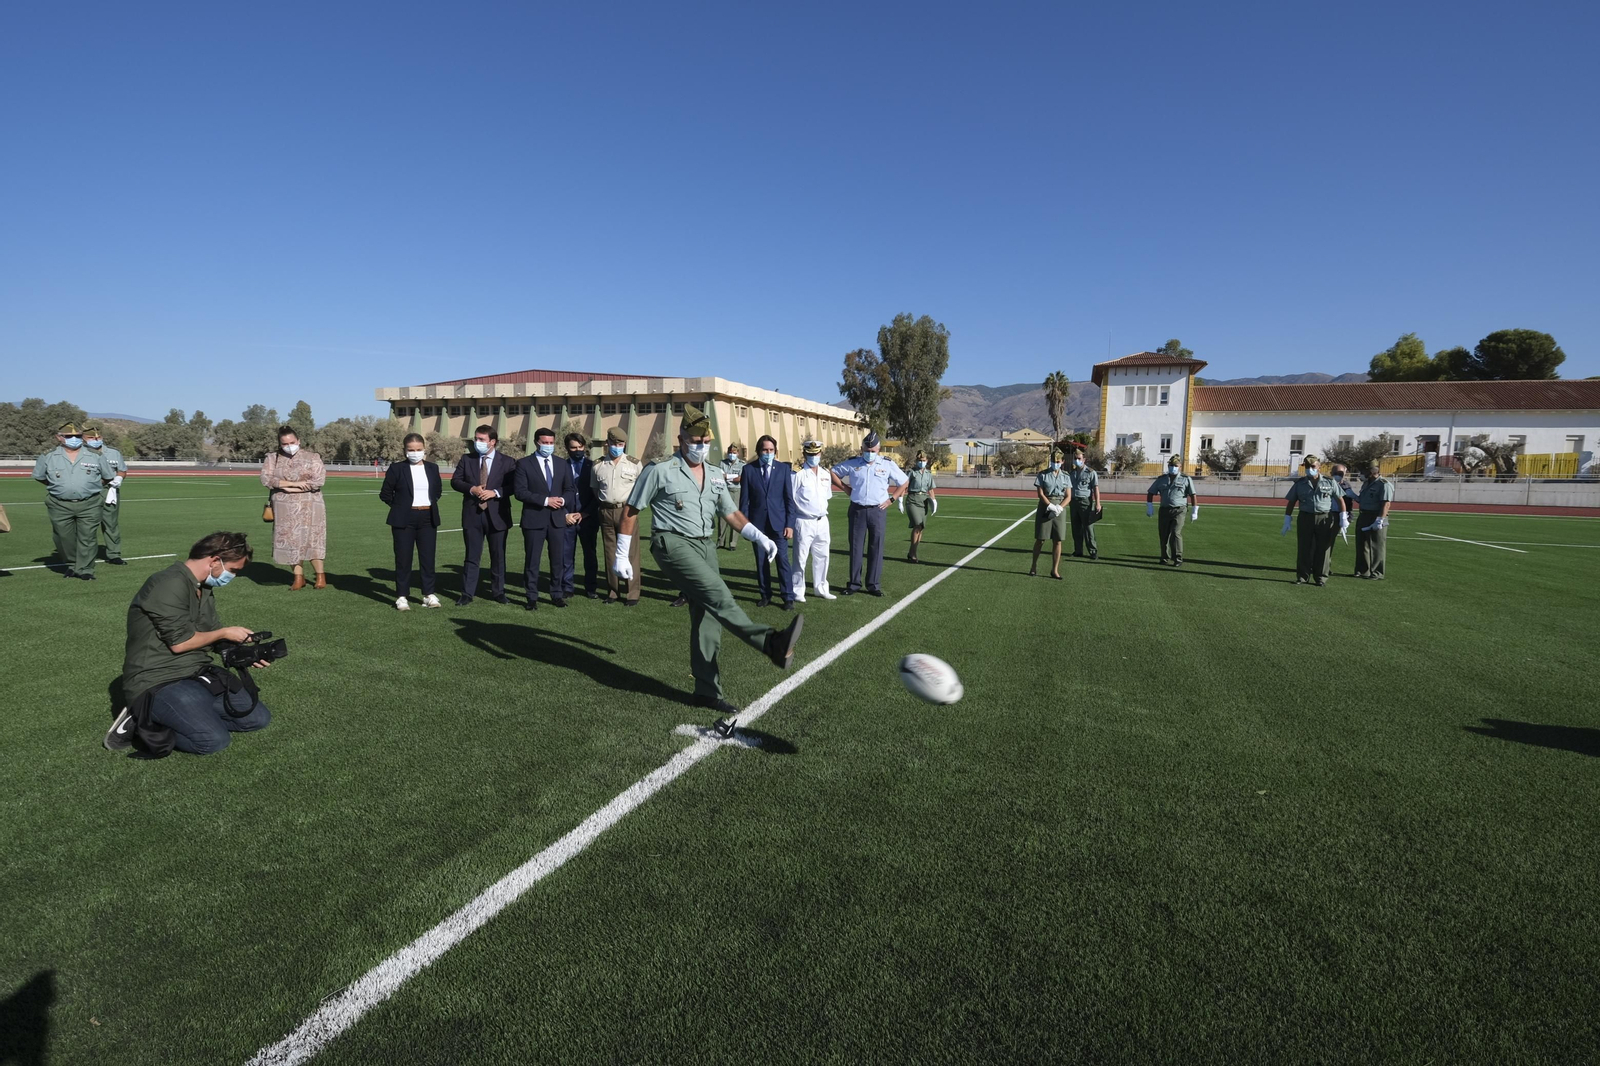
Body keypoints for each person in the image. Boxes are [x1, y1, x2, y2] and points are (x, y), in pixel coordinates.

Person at [613, 405, 804, 736]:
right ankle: (771, 643)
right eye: (695, 439)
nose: (701, 445)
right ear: (681, 439)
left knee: (708, 617)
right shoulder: (659, 470)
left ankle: (706, 691)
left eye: (705, 440)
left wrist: (758, 536)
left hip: (705, 545)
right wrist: (621, 555)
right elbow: (630, 511)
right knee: (718, 594)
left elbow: (730, 513)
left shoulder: (715, 473)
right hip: (672, 543)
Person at [105, 531, 273, 756]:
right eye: (233, 570)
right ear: (214, 561)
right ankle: (142, 717)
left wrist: (242, 651)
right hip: (157, 678)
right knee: (212, 741)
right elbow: (180, 643)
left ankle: (181, 715)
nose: (232, 577)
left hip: (196, 671)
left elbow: (212, 634)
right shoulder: (168, 583)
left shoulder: (203, 586)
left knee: (257, 719)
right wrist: (225, 632)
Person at [829, 430, 908, 597]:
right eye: (867, 450)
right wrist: (845, 488)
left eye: (873, 451)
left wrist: (892, 499)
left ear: (878, 450)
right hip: (857, 509)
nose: (870, 454)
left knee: (876, 547)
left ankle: (873, 584)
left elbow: (904, 481)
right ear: (861, 449)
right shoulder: (853, 463)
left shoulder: (887, 464)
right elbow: (833, 472)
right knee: (856, 547)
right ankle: (854, 584)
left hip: (877, 510)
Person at [32, 421, 110, 580]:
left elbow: (107, 476)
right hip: (59, 504)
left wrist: (90, 487)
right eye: (69, 436)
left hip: (90, 503)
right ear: (59, 437)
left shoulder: (96, 455)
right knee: (62, 537)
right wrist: (59, 487)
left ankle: (85, 569)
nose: (74, 438)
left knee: (87, 537)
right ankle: (73, 564)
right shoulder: (48, 456)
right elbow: (40, 476)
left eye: (77, 436)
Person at [450, 425, 515, 606]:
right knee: (472, 555)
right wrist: (471, 489)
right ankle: (467, 593)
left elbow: (514, 486)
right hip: (473, 514)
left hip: (498, 515)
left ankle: (498, 592)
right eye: (476, 439)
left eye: (481, 439)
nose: (477, 442)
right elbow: (455, 481)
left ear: (492, 442)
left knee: (498, 555)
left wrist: (496, 492)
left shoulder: (508, 461)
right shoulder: (467, 459)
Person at [513, 427, 575, 610]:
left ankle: (556, 594)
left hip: (557, 519)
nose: (548, 446)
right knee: (532, 560)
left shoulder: (562, 464)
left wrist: (562, 500)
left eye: (551, 443)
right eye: (544, 443)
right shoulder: (524, 464)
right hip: (534, 519)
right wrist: (546, 500)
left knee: (557, 560)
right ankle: (531, 596)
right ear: (536, 442)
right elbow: (520, 492)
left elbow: (570, 489)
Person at [380, 433, 443, 610]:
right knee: (403, 559)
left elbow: (437, 491)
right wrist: (400, 507)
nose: (415, 453)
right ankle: (402, 596)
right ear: (405, 451)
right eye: (411, 450)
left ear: (424, 449)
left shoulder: (432, 468)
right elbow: (385, 494)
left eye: (418, 449)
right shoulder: (397, 468)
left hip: (427, 518)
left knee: (428, 558)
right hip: (404, 520)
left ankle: (429, 594)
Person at [260, 426, 327, 589]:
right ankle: (298, 577)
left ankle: (320, 576)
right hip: (284, 507)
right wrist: (291, 485)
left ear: (299, 441)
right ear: (279, 443)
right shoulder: (273, 458)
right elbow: (266, 479)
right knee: (291, 541)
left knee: (313, 539)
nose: (289, 445)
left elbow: (318, 481)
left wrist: (285, 486)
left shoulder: (312, 457)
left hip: (310, 505)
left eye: (292, 442)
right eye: (285, 443)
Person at [739, 434, 796, 609]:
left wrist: (789, 524)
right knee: (761, 561)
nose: (768, 453)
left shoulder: (783, 469)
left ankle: (787, 597)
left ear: (775, 451)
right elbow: (744, 501)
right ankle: (765, 595)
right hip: (758, 525)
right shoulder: (749, 470)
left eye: (771, 450)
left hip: (779, 524)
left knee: (782, 561)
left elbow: (789, 500)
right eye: (765, 450)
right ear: (758, 451)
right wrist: (746, 526)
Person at [592, 427, 644, 605]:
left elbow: (641, 489)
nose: (617, 447)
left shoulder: (634, 464)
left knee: (630, 552)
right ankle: (613, 592)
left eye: (620, 444)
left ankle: (632, 593)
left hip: (627, 511)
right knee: (609, 552)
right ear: (608, 443)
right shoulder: (598, 465)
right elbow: (594, 489)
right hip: (606, 510)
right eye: (614, 443)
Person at [1281, 453, 1348, 586]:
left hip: (1324, 518)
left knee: (1323, 548)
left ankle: (1321, 577)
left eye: (1312, 466)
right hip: (1306, 517)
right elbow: (1291, 501)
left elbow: (1340, 499)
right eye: (1306, 466)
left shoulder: (1329, 482)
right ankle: (1302, 576)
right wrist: (1287, 519)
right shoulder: (1300, 483)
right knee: (1304, 547)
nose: (1309, 469)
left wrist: (1343, 517)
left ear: (1319, 467)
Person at [788, 439, 836, 602]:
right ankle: (798, 590)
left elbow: (827, 496)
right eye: (810, 454)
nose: (813, 456)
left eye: (816, 454)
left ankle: (821, 587)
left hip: (822, 520)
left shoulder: (825, 474)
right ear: (804, 454)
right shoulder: (797, 473)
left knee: (823, 556)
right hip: (803, 521)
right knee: (800, 558)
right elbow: (790, 498)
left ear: (820, 454)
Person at [559, 432, 600, 600]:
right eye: (573, 447)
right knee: (566, 555)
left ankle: (591, 587)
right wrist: (564, 514)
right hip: (567, 517)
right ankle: (567, 587)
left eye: (580, 447)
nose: (577, 450)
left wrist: (585, 512)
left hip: (587, 518)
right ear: (567, 449)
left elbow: (598, 494)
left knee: (590, 554)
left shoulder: (594, 467)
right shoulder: (560, 466)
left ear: (585, 447)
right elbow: (555, 492)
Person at [83, 425, 128, 566]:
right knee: (87, 525)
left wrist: (119, 478)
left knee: (111, 524)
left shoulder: (113, 453)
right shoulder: (80, 453)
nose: (96, 439)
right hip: (88, 493)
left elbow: (122, 470)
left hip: (110, 492)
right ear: (83, 438)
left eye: (98, 437)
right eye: (91, 437)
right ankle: (85, 555)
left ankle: (114, 554)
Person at [1146, 457, 1199, 567]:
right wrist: (1149, 506)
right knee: (1163, 534)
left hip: (1179, 510)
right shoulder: (1162, 479)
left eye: (1175, 466)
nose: (1173, 468)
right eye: (1171, 465)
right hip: (1165, 510)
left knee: (1175, 533)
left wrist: (1195, 510)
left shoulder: (1186, 479)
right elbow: (1151, 492)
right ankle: (1164, 557)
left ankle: (1177, 558)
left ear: (1180, 467)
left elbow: (1193, 495)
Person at [1030, 452, 1070, 579]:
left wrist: (1059, 507)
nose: (1055, 463)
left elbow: (1069, 496)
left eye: (1058, 461)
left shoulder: (1066, 476)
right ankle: (1033, 566)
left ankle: (1055, 570)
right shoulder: (1043, 474)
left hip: (1059, 507)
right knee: (1041, 539)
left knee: (1058, 540)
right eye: (1053, 461)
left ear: (1062, 462)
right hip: (1045, 506)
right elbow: (1040, 494)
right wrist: (1050, 505)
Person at [1354, 460, 1395, 580]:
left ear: (1372, 472)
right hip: (1364, 515)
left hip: (1376, 516)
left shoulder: (1384, 484)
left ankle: (1377, 572)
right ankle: (1362, 570)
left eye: (1364, 471)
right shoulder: (1366, 483)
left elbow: (1386, 504)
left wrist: (1380, 520)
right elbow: (1363, 499)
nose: (1361, 474)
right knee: (1361, 544)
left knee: (1376, 545)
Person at [901, 450, 937, 563]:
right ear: (917, 460)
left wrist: (934, 501)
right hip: (912, 499)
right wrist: (900, 499)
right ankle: (912, 553)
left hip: (924, 501)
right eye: (920, 460)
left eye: (924, 460)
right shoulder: (912, 472)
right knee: (917, 525)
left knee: (921, 528)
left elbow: (930, 489)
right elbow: (904, 486)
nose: (922, 462)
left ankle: (912, 552)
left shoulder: (928, 474)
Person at [1067, 448, 1102, 559]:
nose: (1077, 460)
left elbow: (1095, 488)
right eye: (1076, 459)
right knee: (1076, 527)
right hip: (1073, 502)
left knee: (1088, 527)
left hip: (1085, 502)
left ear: (1084, 459)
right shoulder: (1071, 473)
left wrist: (1098, 503)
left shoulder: (1091, 472)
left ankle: (1092, 551)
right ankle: (1078, 550)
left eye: (1079, 458)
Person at [717, 444, 744, 551]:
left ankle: (733, 543)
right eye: (730, 452)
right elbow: (719, 476)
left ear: (737, 453)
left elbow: (740, 478)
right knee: (722, 516)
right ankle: (720, 541)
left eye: (734, 452)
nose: (731, 454)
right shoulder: (722, 463)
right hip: (724, 490)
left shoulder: (742, 465)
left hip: (736, 491)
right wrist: (733, 477)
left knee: (734, 516)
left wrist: (727, 476)